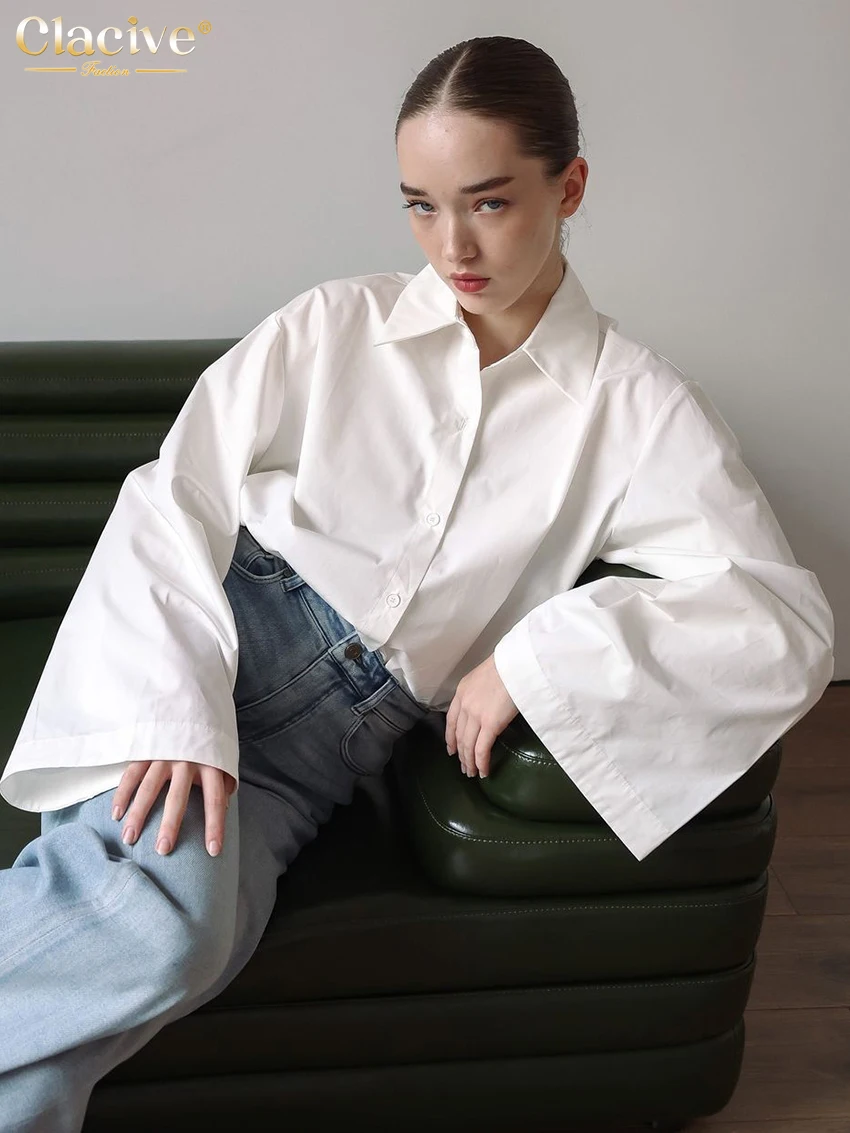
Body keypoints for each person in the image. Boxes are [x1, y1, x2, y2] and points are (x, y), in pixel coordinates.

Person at [0, 34, 834, 1132]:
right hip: (213, 647)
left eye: (488, 202)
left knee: (189, 949)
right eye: (421, 206)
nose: (453, 246)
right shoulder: (332, 324)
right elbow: (174, 496)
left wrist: (538, 657)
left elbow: (780, 619)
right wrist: (175, 703)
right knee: (159, 925)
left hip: (326, 752)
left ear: (569, 186)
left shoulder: (634, 407)